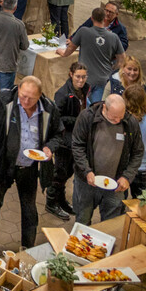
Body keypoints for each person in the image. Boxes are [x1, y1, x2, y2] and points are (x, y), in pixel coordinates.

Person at [0, 76, 62, 250]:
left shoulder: (49, 109)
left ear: (40, 95)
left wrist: (49, 148)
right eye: (22, 95)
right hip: (2, 166)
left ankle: (27, 249)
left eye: (31, 98)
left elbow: (58, 135)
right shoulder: (1, 102)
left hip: (29, 168)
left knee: (29, 211)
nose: (25, 100)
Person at [71, 94, 143, 223]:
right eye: (114, 117)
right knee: (83, 218)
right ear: (104, 107)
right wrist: (86, 171)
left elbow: (137, 153)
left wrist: (127, 176)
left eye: (121, 117)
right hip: (86, 182)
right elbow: (77, 146)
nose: (118, 121)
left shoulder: (130, 122)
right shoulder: (87, 117)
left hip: (115, 185)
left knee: (110, 224)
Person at [57, 7, 125, 103]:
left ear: (92, 18)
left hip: (84, 79)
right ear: (105, 19)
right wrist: (113, 68)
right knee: (96, 107)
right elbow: (122, 59)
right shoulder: (113, 37)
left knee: (82, 106)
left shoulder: (84, 31)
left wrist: (62, 52)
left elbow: (70, 49)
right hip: (102, 79)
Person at [50, 62, 89, 220]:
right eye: (78, 76)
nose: (81, 80)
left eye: (84, 77)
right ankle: (51, 202)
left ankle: (61, 200)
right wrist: (79, 120)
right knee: (60, 172)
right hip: (64, 141)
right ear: (71, 75)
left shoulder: (85, 89)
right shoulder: (62, 94)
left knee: (69, 172)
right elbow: (57, 118)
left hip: (77, 139)